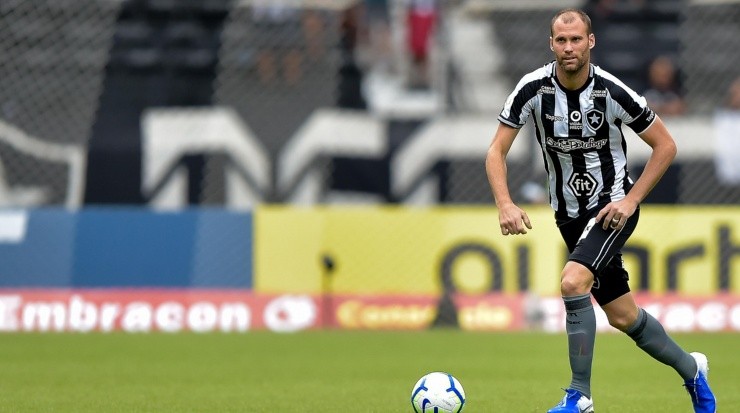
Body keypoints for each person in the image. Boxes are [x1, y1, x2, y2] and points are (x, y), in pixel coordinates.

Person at [485, 9, 716, 413]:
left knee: (573, 281)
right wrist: (505, 203)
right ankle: (692, 369)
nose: (568, 47)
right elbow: (496, 151)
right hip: (568, 215)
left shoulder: (611, 91)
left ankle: (579, 396)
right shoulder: (532, 88)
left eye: (576, 39)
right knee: (623, 316)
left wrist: (631, 199)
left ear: (591, 42)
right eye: (561, 40)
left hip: (612, 208)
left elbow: (665, 145)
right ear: (551, 44)